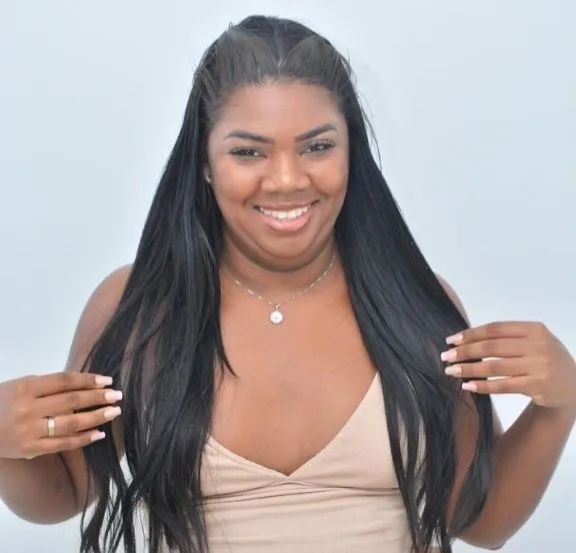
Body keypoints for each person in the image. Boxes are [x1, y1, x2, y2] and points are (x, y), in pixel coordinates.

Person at [1, 14, 575, 553]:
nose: (286, 180)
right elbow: (66, 494)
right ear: (204, 162)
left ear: (352, 153)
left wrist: (560, 403)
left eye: (317, 146)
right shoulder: (140, 306)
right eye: (248, 151)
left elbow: (482, 521)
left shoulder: (412, 301)